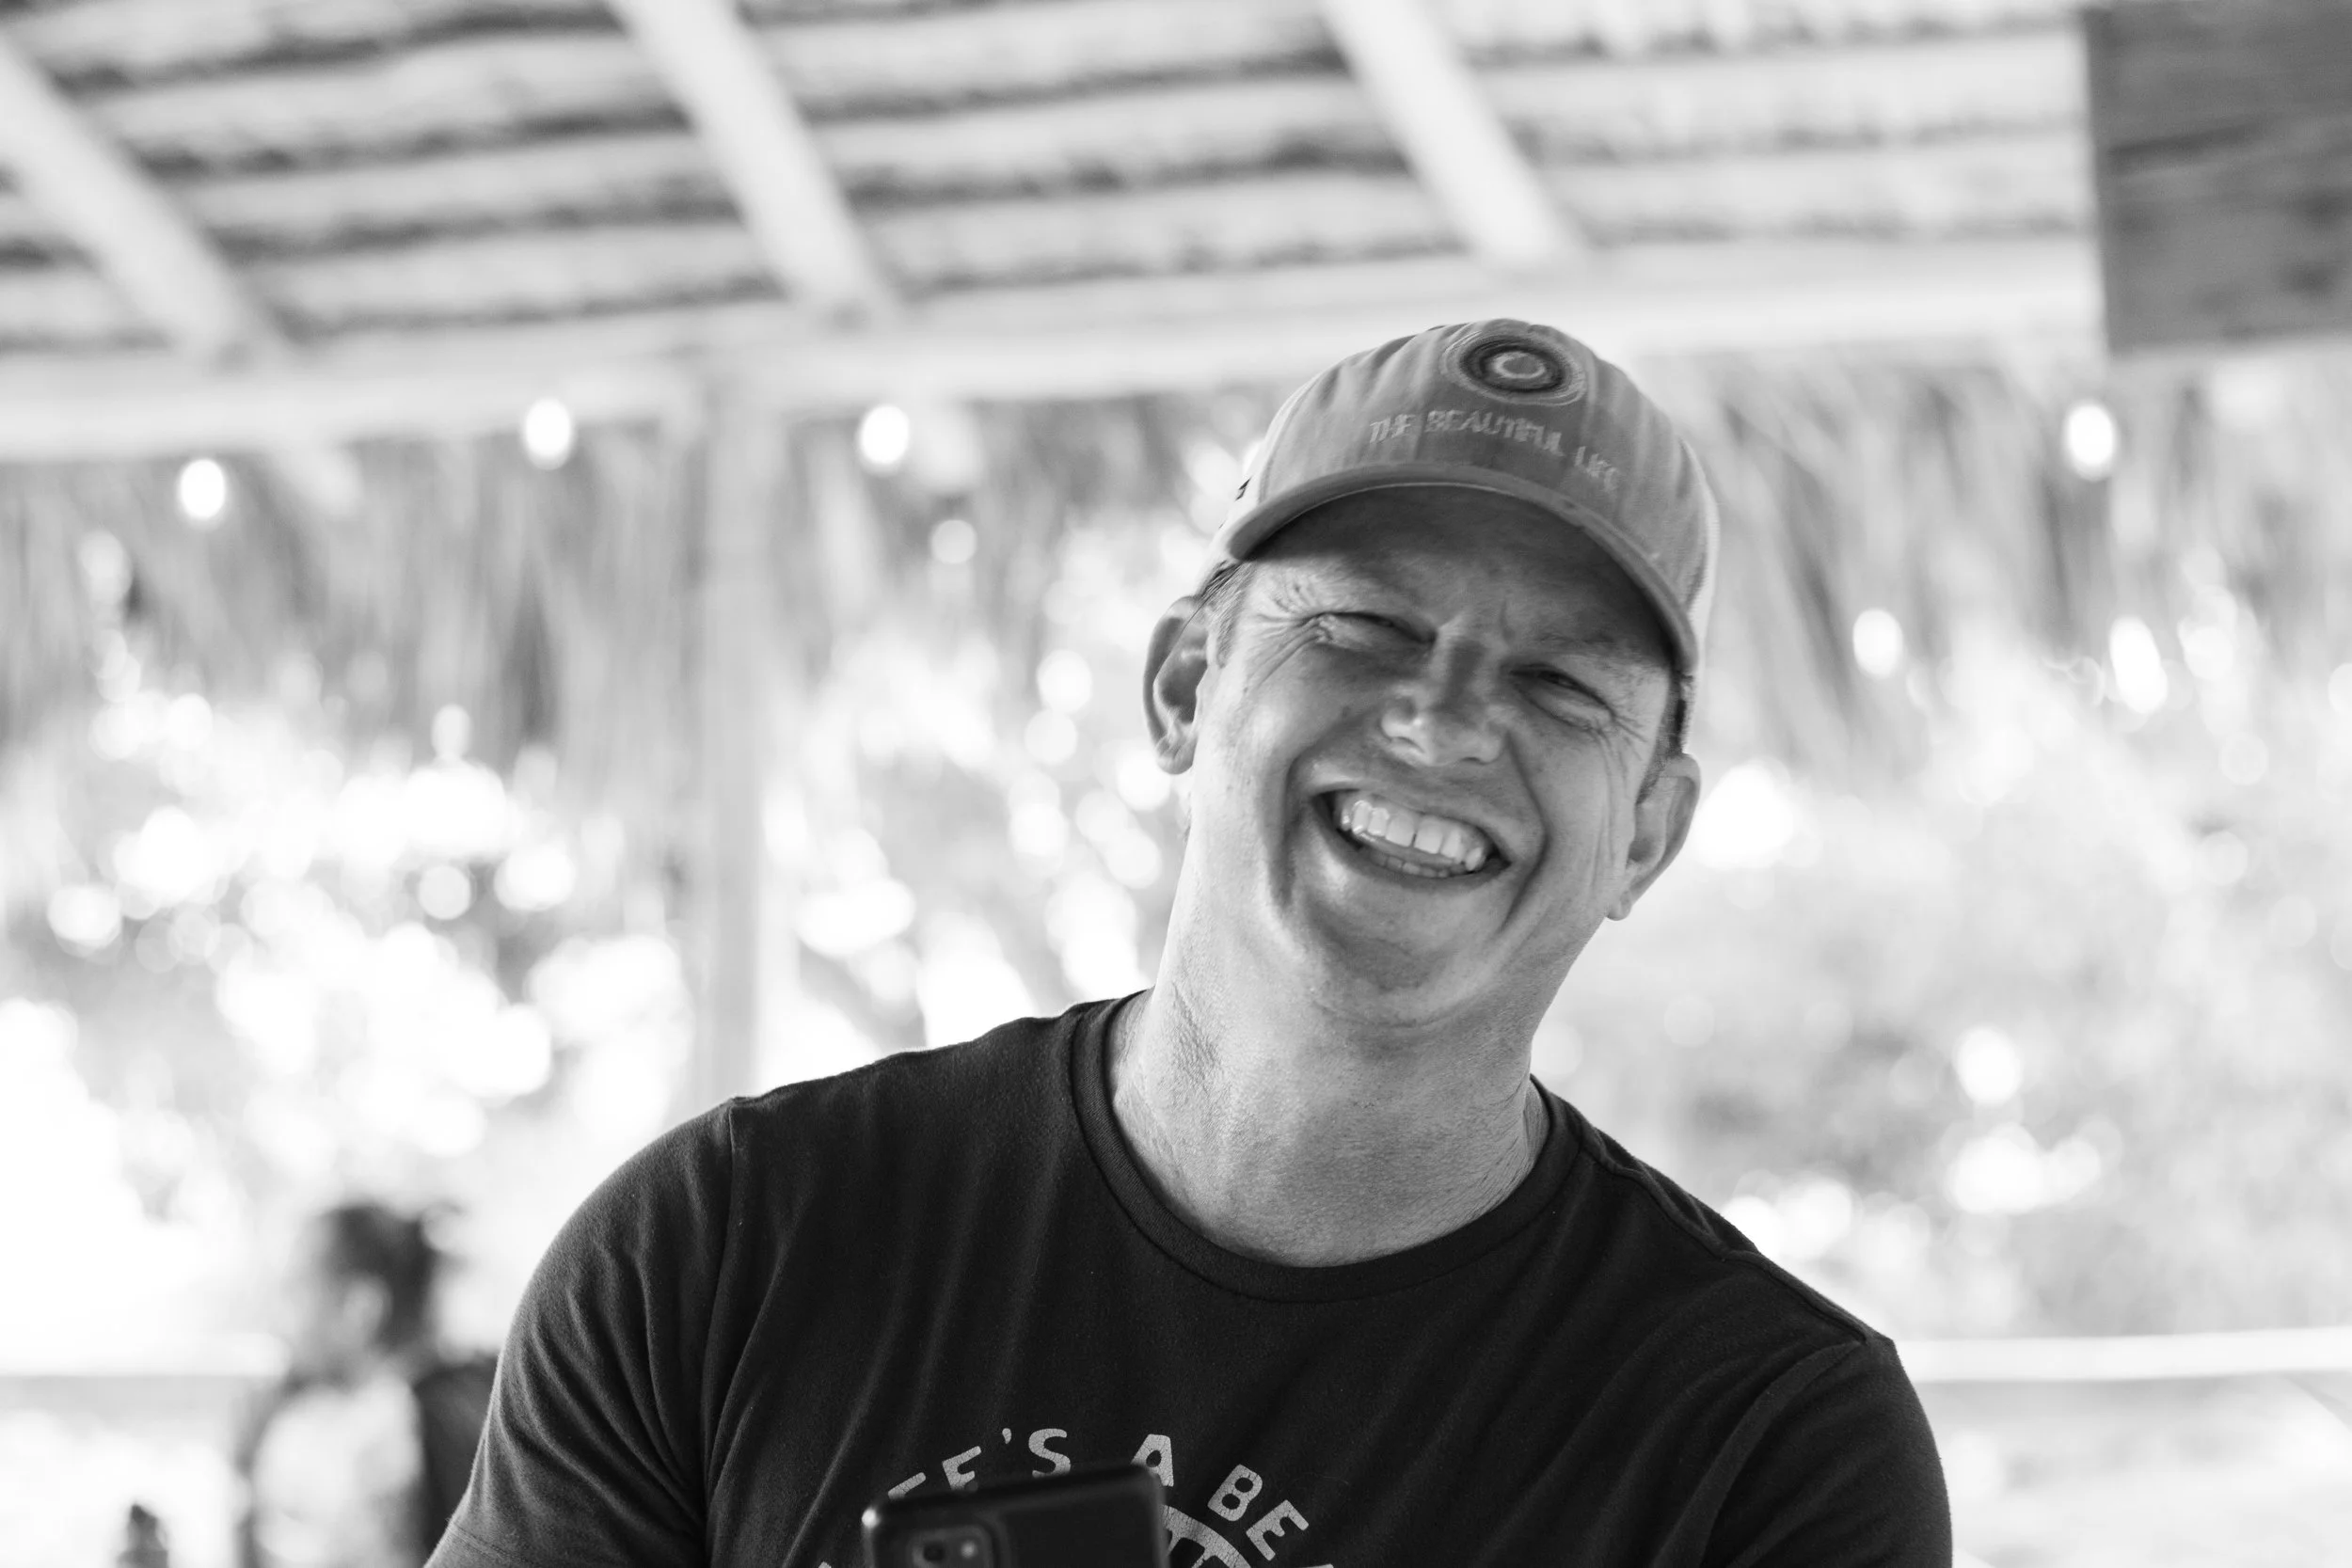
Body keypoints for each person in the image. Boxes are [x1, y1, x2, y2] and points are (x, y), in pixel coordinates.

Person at [430, 320, 1950, 1567]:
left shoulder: (1769, 1437)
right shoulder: (722, 1250)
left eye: (1562, 685)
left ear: (1648, 835)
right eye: (1364, 628)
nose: (1444, 720)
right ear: (1182, 684)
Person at [237, 1201, 496, 1568]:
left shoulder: (402, 1429)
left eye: (296, 1291)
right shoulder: (471, 1394)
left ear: (361, 1307)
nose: (280, 1319)